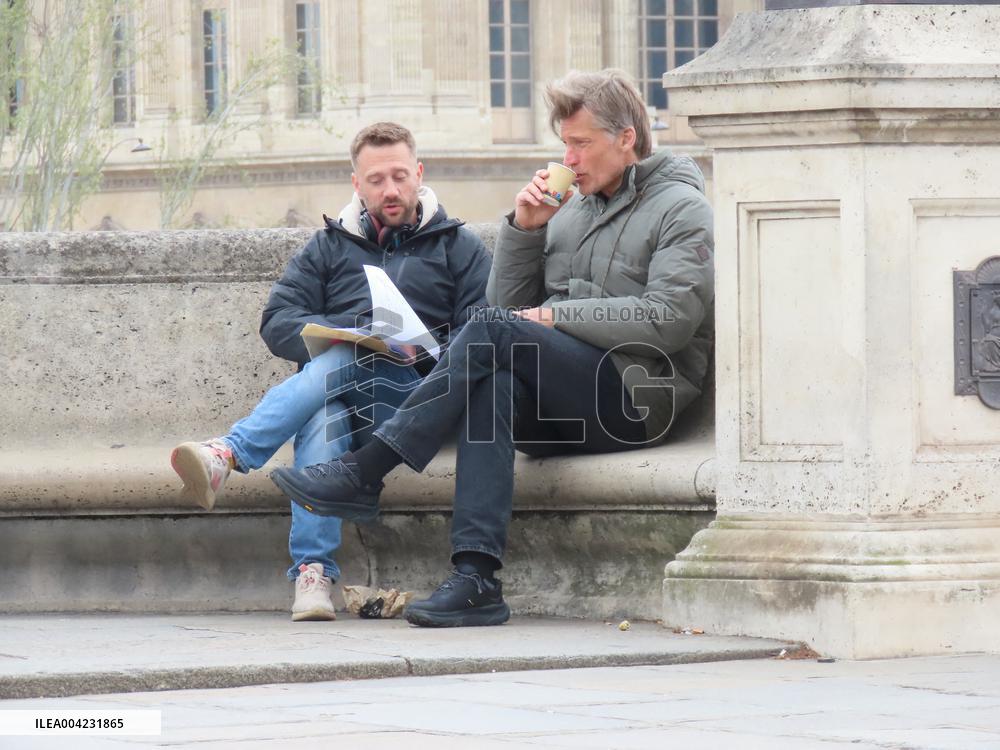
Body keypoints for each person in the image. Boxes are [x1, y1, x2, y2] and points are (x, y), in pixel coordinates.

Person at [270, 69, 714, 628]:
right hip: (564, 407)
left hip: (634, 400)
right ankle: (477, 578)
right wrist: (525, 231)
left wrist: (554, 315)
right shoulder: (570, 211)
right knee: (492, 378)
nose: (569, 158)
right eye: (564, 144)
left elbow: (669, 321)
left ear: (626, 138)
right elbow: (501, 311)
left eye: (581, 143)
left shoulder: (682, 206)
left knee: (493, 334)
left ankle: (367, 469)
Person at [170, 122, 491, 622]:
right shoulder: (327, 246)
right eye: (377, 179)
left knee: (343, 371)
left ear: (419, 174)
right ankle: (314, 575)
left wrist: (421, 352)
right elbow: (277, 321)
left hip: (418, 400)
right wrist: (349, 329)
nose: (390, 189)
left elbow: (482, 332)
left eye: (400, 176)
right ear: (356, 184)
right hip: (344, 397)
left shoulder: (458, 247)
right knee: (324, 410)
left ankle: (230, 453)